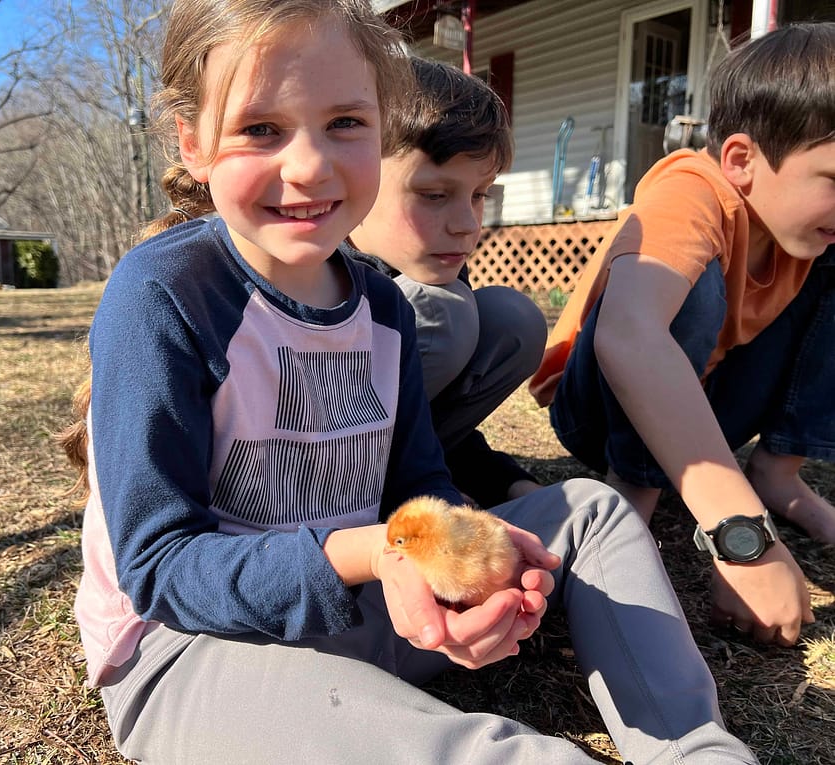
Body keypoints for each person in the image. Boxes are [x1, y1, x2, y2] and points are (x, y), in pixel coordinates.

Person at [63, 0, 758, 762]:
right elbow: (162, 568)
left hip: (378, 607)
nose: (309, 165)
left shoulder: (384, 305)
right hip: (194, 650)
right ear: (193, 143)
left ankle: (695, 746)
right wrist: (377, 554)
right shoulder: (164, 295)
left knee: (588, 512)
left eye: (346, 123)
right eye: (261, 129)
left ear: (383, 125)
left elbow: (419, 487)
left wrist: (465, 571)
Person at [530, 22, 835, 648]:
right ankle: (631, 497)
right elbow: (630, 337)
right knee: (683, 290)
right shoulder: (692, 191)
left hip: (703, 403)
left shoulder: (810, 235)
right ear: (742, 161)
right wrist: (741, 535)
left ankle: (778, 472)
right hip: (598, 408)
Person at [345, 57, 545, 508]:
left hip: (392, 452)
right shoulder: (314, 275)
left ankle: (405, 480)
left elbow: (430, 420)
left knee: (512, 320)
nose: (466, 225)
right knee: (444, 312)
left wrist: (507, 483)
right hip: (295, 474)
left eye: (479, 195)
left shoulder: (434, 269)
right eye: (434, 195)